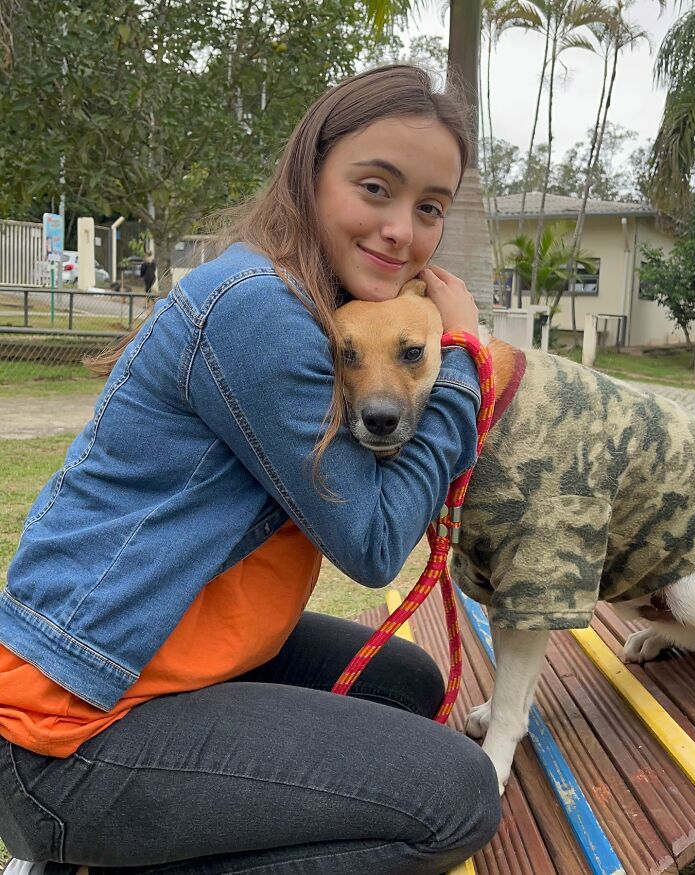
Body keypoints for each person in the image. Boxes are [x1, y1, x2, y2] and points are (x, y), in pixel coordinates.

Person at [0, 65, 501, 874]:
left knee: (401, 681)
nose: (402, 228)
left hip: (158, 665)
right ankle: (86, 861)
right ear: (310, 174)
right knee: (455, 800)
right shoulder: (257, 307)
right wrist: (464, 356)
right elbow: (374, 540)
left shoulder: (313, 303)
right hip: (63, 734)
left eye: (430, 207)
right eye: (376, 187)